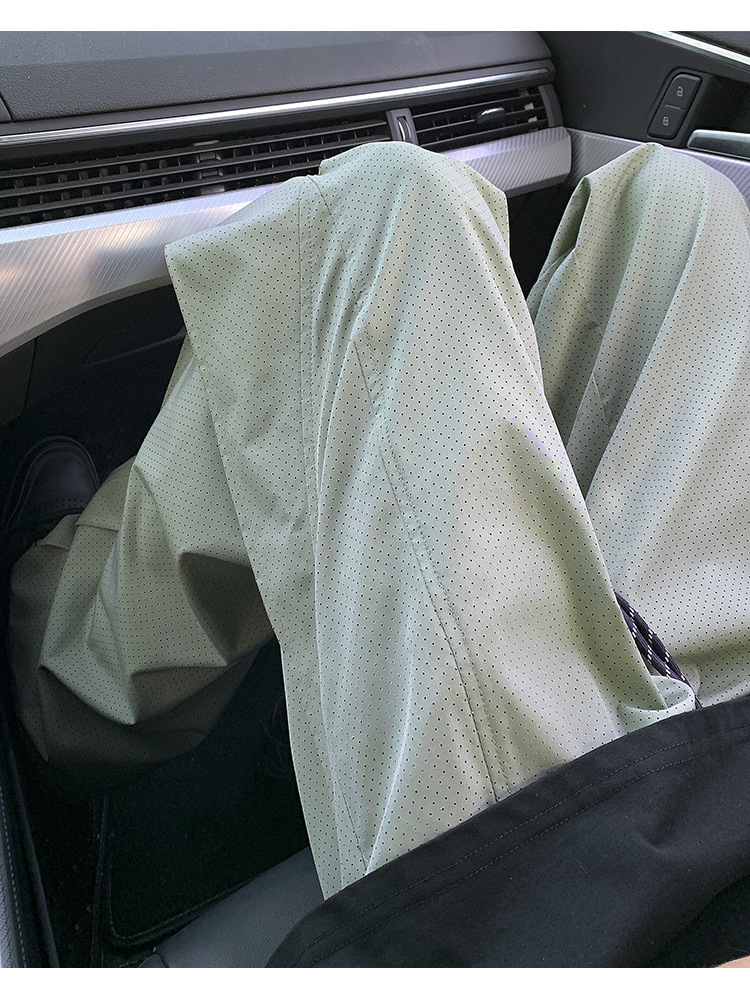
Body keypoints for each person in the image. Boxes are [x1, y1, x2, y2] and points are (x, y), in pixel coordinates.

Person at [5, 139, 750, 900]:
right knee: (678, 210)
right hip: (721, 759)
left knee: (375, 222)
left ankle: (63, 699)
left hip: (562, 888)